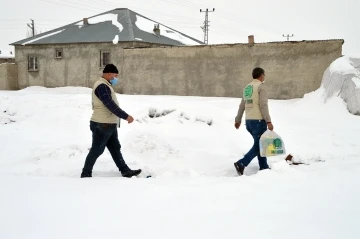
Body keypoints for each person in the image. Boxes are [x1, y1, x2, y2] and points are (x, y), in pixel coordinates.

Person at [81, 64, 141, 178]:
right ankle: (86, 173)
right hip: (102, 124)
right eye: (115, 75)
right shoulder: (102, 86)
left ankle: (125, 170)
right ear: (109, 74)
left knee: (115, 148)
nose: (116, 77)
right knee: (97, 149)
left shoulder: (105, 85)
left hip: (108, 124)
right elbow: (110, 105)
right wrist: (126, 116)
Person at [233, 67, 274, 176]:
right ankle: (242, 163)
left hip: (249, 122)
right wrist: (268, 121)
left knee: (260, 143)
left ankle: (264, 166)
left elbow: (242, 105)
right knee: (260, 144)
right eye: (264, 75)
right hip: (259, 121)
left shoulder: (247, 88)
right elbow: (263, 105)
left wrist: (238, 120)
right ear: (261, 75)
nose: (264, 77)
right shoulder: (261, 87)